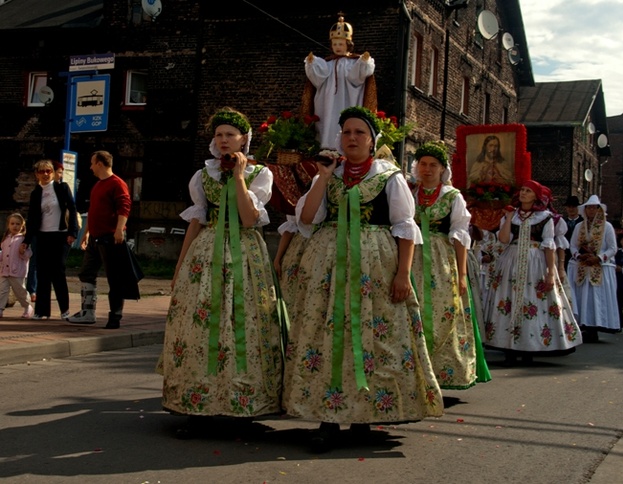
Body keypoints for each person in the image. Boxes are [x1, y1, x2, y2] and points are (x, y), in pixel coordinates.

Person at [282, 106, 443, 453]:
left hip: (376, 265)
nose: (352, 138)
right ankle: (327, 419)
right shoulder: (328, 175)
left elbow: (404, 228)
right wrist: (323, 177)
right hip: (330, 265)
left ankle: (363, 418)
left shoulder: (390, 177)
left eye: (359, 133)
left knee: (371, 335)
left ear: (372, 141)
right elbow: (307, 219)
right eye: (346, 133)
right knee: (327, 337)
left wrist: (403, 274)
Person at [157, 107, 284, 438]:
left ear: (244, 139)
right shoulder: (202, 176)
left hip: (244, 253)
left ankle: (244, 403)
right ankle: (197, 407)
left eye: (230, 135)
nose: (224, 140)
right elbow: (196, 222)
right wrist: (181, 266)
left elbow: (247, 218)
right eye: (219, 135)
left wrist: (239, 177)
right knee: (202, 328)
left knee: (245, 325)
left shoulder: (260, 175)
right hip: (207, 254)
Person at [410, 141, 490, 389]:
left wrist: (462, 273)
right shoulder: (409, 193)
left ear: (442, 169)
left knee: (444, 310)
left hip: (441, 258)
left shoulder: (452, 197)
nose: (427, 169)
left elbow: (460, 234)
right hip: (412, 255)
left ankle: (445, 371)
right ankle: (415, 371)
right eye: (423, 164)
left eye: (433, 165)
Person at [483, 180, 582, 365]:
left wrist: (552, 273)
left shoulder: (545, 217)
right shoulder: (511, 215)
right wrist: (509, 216)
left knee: (532, 300)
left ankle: (529, 348)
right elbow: (504, 240)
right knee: (508, 300)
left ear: (536, 196)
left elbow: (549, 246)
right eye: (522, 189)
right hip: (511, 261)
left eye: (528, 191)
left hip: (535, 263)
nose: (523, 193)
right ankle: (508, 349)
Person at [68, 150, 136, 329]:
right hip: (95, 238)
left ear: (100, 163)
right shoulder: (97, 185)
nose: (90, 167)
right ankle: (87, 312)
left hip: (111, 237)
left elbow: (124, 208)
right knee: (86, 273)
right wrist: (86, 233)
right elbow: (93, 212)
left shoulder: (117, 184)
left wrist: (119, 230)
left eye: (92, 163)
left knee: (115, 278)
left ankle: (115, 316)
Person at [302, 15, 377, 150]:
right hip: (327, 103)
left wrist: (363, 62)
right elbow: (317, 78)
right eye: (334, 44)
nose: (337, 47)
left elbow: (357, 77)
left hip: (349, 100)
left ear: (348, 44)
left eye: (340, 44)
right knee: (327, 122)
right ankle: (325, 145)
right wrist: (312, 63)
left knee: (347, 121)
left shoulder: (354, 62)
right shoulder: (327, 63)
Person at [23, 160, 79, 320]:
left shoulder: (62, 188)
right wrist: (26, 240)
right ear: (37, 175)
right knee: (43, 272)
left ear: (53, 173)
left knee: (58, 271)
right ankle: (42, 311)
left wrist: (73, 232)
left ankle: (65, 310)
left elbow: (72, 208)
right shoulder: (36, 193)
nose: (45, 174)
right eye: (41, 172)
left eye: (48, 171)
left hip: (60, 235)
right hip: (42, 235)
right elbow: (32, 218)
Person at [567, 194, 620, 342]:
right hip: (583, 266)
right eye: (588, 208)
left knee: (595, 297)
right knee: (583, 298)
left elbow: (612, 248)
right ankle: (584, 325)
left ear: (598, 210)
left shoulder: (607, 226)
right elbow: (572, 245)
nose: (591, 210)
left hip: (599, 266)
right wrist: (578, 255)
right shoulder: (579, 226)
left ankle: (596, 325)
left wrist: (599, 257)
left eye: (594, 208)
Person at [0, 213, 34, 319]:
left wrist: (23, 251)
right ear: (8, 225)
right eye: (12, 223)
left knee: (20, 292)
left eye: (18, 224)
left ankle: (27, 306)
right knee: (2, 290)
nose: (15, 226)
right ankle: (0, 309)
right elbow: (3, 252)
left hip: (17, 271)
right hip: (4, 270)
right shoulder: (6, 238)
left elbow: (29, 254)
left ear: (22, 226)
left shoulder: (23, 240)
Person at [562, 195, 583, 271]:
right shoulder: (562, 222)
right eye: (569, 207)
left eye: (573, 207)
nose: (571, 209)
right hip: (566, 256)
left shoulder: (583, 222)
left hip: (580, 256)